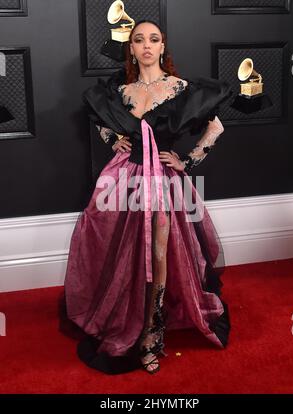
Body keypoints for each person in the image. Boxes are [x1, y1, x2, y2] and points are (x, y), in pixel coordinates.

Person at [63, 19, 232, 375]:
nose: (146, 46)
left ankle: (152, 333)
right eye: (139, 40)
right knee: (126, 253)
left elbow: (215, 125)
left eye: (153, 39)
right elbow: (101, 119)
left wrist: (188, 159)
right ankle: (129, 317)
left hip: (164, 183)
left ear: (162, 47)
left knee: (159, 254)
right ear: (132, 49)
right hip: (127, 178)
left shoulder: (180, 88)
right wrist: (113, 140)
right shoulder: (122, 92)